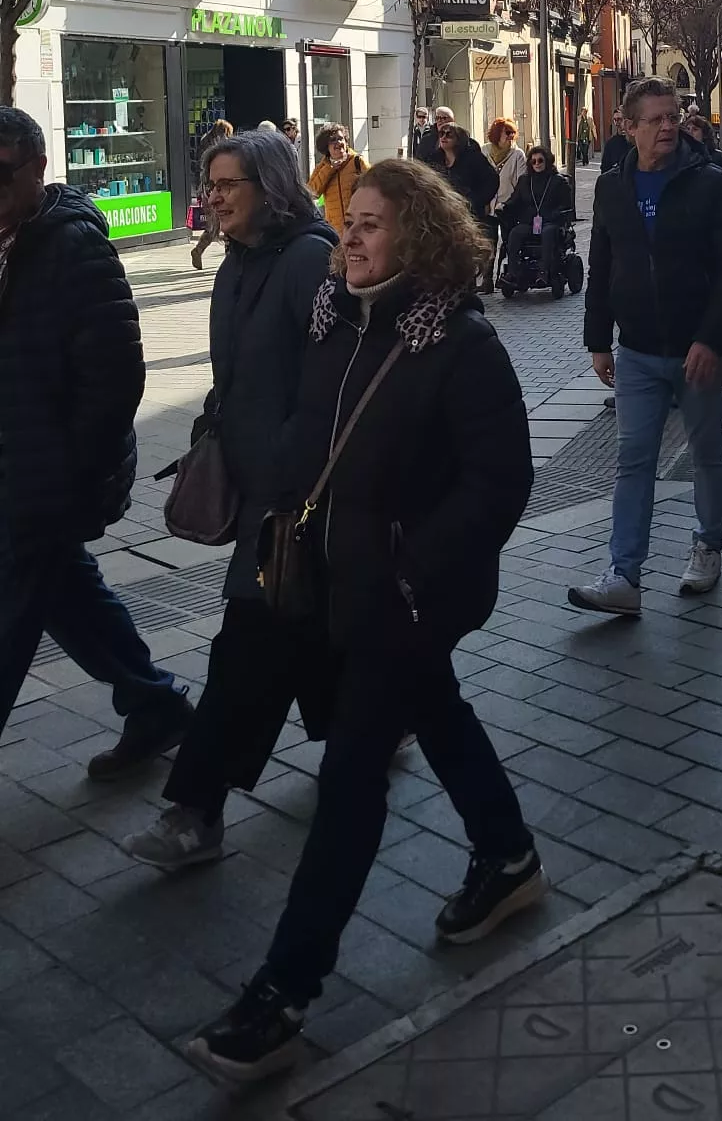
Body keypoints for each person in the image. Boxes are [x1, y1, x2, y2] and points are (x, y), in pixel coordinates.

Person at [188, 161, 539, 1085]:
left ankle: (284, 992)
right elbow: (313, 434)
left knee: (349, 778)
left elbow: (502, 483)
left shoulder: (459, 343)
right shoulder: (334, 320)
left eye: (372, 225)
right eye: (350, 222)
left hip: (408, 596)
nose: (350, 238)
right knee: (440, 710)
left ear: (417, 236)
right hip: (333, 583)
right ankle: (508, 855)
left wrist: (408, 567)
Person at [126, 130, 337, 870]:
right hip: (259, 486)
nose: (211, 197)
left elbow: (327, 382)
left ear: (269, 186)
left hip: (293, 500)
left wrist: (287, 465)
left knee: (244, 649)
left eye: (226, 185)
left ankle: (196, 811)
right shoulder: (239, 263)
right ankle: (372, 728)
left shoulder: (310, 259)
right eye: (209, 184)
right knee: (306, 633)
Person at [0, 107, 192, 770]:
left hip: (42, 480)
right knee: (66, 594)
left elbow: (114, 380)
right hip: (16, 470)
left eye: (0, 176)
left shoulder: (71, 244)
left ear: (37, 170)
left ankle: (159, 707)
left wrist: (69, 479)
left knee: (14, 614)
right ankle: (156, 704)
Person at [568, 77, 722, 615]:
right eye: (657, 119)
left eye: (673, 116)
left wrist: (712, 340)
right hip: (638, 352)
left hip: (697, 350)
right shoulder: (612, 187)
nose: (669, 126)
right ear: (629, 129)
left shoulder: (710, 182)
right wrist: (598, 340)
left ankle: (707, 545)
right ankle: (624, 574)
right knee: (633, 458)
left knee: (705, 452)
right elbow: (602, 267)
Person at [506, 146, 573, 281]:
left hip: (551, 221)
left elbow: (566, 204)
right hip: (531, 222)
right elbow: (515, 200)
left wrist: (555, 215)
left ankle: (544, 271)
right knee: (515, 233)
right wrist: (504, 207)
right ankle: (513, 272)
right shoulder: (524, 181)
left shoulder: (557, 181)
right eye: (533, 161)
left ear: (547, 161)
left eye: (540, 161)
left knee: (548, 233)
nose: (537, 164)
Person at [485, 118, 526, 293]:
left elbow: (521, 181)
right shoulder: (484, 151)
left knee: (509, 242)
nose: (510, 137)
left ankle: (510, 274)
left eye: (512, 133)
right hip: (489, 205)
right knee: (488, 243)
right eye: (506, 133)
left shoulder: (518, 155)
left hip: (509, 207)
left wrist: (511, 204)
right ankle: (486, 279)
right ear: (496, 135)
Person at [435, 123, 500, 229]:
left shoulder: (474, 158)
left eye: (449, 134)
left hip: (469, 216)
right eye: (441, 134)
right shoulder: (435, 158)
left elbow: (492, 180)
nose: (443, 137)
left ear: (459, 139)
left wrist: (475, 201)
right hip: (442, 214)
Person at [307, 126, 369, 235]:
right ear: (326, 146)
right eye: (333, 140)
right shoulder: (322, 167)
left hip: (358, 227)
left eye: (341, 138)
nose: (338, 142)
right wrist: (330, 169)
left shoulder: (357, 161)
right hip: (335, 231)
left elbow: (375, 186)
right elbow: (312, 192)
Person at [190, 118, 234, 269]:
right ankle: (229, 256)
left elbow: (198, 169)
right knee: (224, 223)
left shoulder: (205, 142)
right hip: (218, 189)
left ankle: (199, 250)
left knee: (214, 225)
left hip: (205, 189)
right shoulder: (222, 147)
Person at [682, 110, 722, 193]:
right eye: (688, 129)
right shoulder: (681, 158)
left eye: (695, 129)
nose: (690, 132)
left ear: (704, 134)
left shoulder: (719, 158)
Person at [601, 106, 630, 173]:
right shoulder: (610, 144)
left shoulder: (635, 141)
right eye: (615, 120)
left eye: (619, 119)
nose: (617, 123)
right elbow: (605, 169)